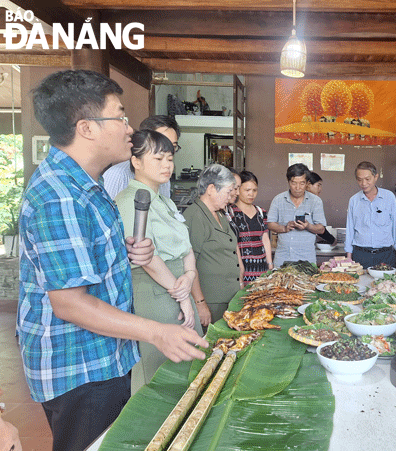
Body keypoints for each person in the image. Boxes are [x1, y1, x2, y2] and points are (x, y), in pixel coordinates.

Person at [18, 70, 207, 451]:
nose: (129, 128)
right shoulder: (60, 196)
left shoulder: (89, 185)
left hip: (106, 357)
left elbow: (86, 256)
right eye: (120, 116)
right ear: (87, 128)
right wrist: (157, 331)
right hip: (80, 367)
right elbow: (70, 302)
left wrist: (127, 249)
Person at [115, 129, 203, 393]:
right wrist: (183, 295)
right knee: (160, 374)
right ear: (136, 162)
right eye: (158, 159)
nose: (167, 165)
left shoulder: (164, 200)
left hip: (178, 285)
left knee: (187, 368)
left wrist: (188, 276)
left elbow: (186, 246)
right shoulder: (131, 200)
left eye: (170, 158)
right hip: (156, 292)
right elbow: (146, 258)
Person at [184, 165, 244, 322]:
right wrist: (200, 303)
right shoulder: (195, 216)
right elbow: (189, 265)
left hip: (229, 297)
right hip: (211, 301)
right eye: (228, 191)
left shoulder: (220, 213)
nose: (230, 196)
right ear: (211, 189)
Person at [102, 115, 181, 199]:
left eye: (172, 146)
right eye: (161, 144)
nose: (168, 150)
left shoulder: (163, 177)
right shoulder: (117, 176)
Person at [345, 161, 396, 271]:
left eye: (367, 179)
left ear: (375, 177)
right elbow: (350, 230)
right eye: (359, 179)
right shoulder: (354, 200)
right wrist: (349, 257)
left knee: (385, 286)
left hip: (385, 255)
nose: (363, 183)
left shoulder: (389, 197)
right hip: (361, 255)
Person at [267, 163, 327, 267]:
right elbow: (270, 224)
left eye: (302, 183)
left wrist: (308, 226)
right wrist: (285, 228)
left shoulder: (315, 201)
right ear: (288, 181)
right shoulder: (278, 200)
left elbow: (321, 229)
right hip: (282, 260)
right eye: (294, 183)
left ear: (307, 183)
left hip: (307, 261)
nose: (298, 188)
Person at [232, 170, 273, 282]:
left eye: (254, 190)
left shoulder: (261, 212)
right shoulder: (231, 212)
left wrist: (269, 264)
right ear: (238, 189)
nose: (251, 194)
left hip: (261, 268)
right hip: (241, 269)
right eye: (247, 190)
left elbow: (265, 239)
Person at [307, 171, 337, 245]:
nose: (320, 189)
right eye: (318, 185)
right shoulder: (315, 200)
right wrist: (332, 240)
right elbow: (320, 229)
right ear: (308, 184)